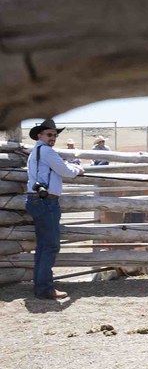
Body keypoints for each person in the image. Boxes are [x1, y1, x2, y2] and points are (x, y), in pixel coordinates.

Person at [25, 118, 86, 300]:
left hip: (37, 200)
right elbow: (65, 170)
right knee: (50, 245)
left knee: (44, 245)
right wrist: (78, 170)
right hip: (46, 202)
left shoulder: (37, 151)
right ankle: (44, 288)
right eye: (49, 134)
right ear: (40, 135)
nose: (53, 137)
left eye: (55, 135)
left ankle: (41, 286)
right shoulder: (46, 151)